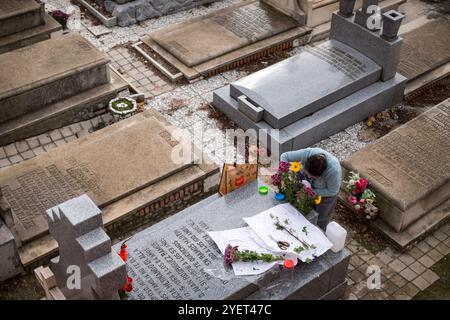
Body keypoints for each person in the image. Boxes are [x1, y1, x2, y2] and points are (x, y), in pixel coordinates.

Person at [280, 147, 342, 231]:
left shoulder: (334, 171)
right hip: (307, 187)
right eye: (307, 173)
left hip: (326, 194)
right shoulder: (308, 154)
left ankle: (319, 235)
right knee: (304, 210)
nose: (308, 177)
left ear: (321, 174)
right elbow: (285, 156)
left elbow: (332, 191)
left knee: (320, 220)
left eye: (311, 176)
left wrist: (311, 192)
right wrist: (285, 173)